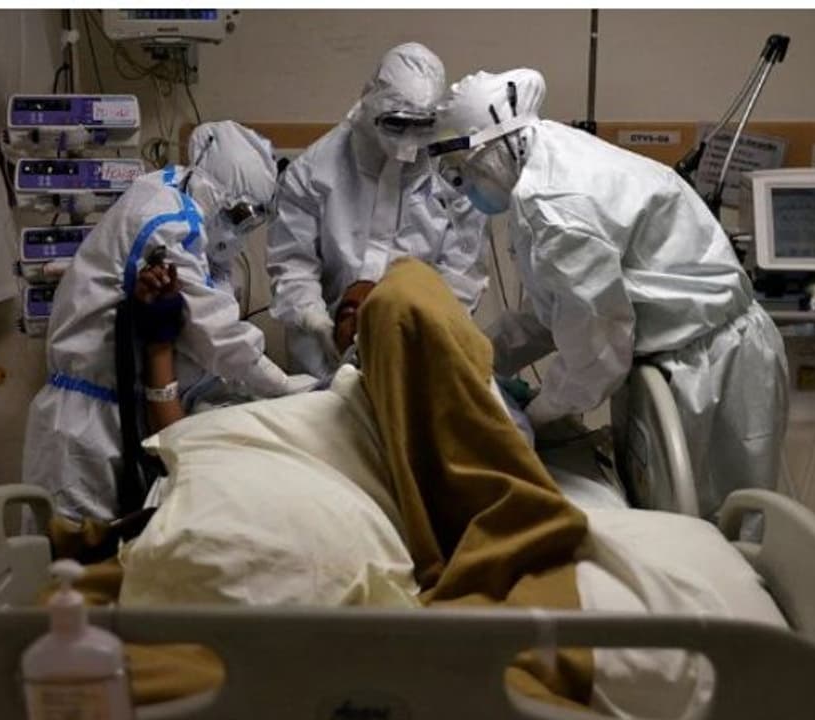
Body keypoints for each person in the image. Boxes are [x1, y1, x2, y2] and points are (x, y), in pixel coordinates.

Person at [429, 68, 788, 517]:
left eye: (463, 169)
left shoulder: (557, 207)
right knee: (669, 510)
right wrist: (479, 357)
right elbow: (554, 310)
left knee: (724, 523)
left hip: (713, 360)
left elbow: (596, 358)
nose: (462, 183)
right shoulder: (543, 162)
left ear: (497, 148)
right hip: (670, 357)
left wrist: (532, 416)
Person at [24, 121, 315, 523]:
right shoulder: (165, 221)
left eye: (252, 221)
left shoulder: (178, 200)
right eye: (239, 214)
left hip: (132, 412)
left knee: (118, 544)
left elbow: (209, 312)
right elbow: (217, 337)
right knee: (74, 548)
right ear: (216, 192)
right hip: (87, 421)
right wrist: (288, 387)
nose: (240, 230)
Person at [267, 42, 490, 379]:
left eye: (420, 126)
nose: (407, 140)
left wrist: (432, 332)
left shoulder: (452, 174)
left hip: (415, 348)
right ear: (370, 101)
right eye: (396, 124)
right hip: (322, 355)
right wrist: (314, 320)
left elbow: (462, 272)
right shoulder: (314, 172)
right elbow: (293, 263)